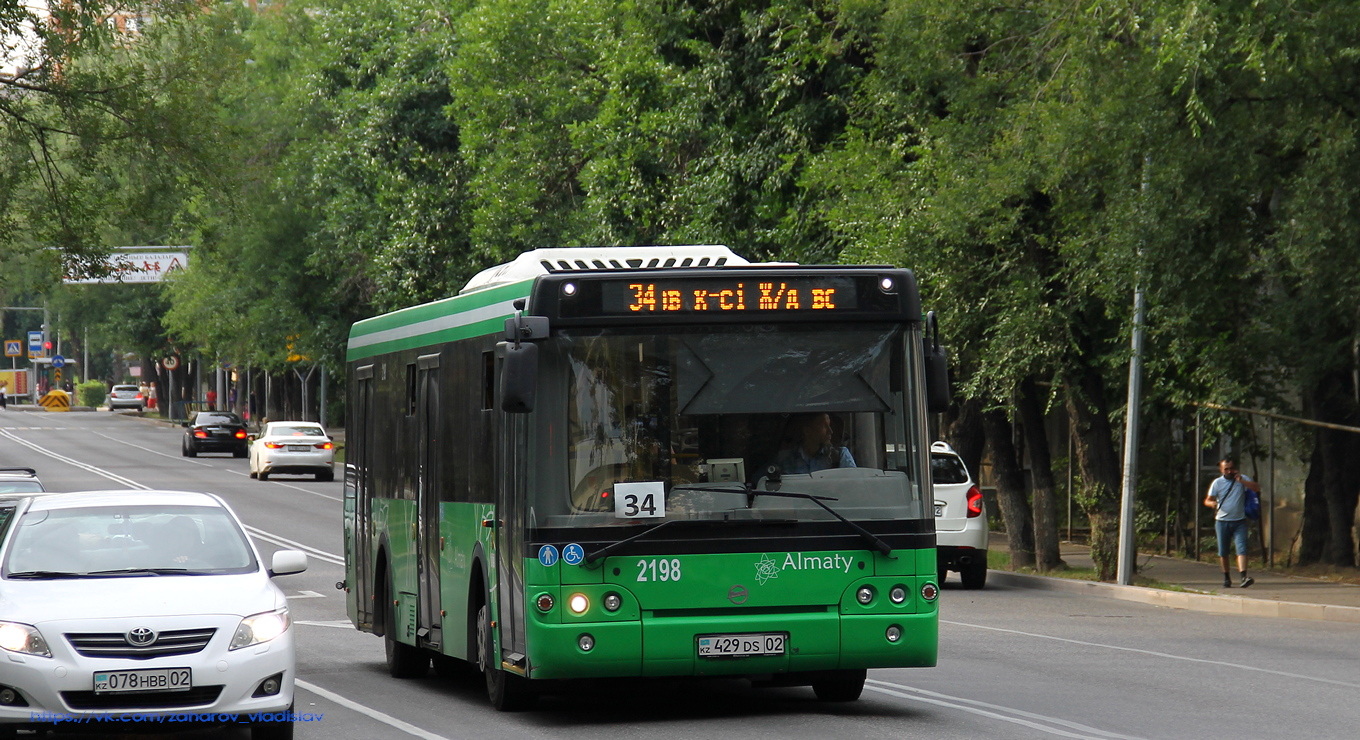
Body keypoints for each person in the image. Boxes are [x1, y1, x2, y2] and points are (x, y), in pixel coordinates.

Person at [1204, 456, 1260, 588]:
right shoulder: (1217, 483)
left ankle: (1243, 577)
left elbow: (1256, 488)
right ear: (1221, 470)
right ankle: (1226, 577)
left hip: (1239, 521)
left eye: (1231, 468)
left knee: (1242, 549)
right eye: (1226, 469)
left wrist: (1242, 482)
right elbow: (1207, 500)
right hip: (1222, 521)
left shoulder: (1243, 479)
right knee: (1223, 552)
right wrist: (1212, 504)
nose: (1229, 471)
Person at [773, 412, 855, 474]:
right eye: (824, 426)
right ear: (807, 431)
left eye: (829, 425)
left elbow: (854, 485)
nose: (830, 431)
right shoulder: (785, 460)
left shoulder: (840, 456)